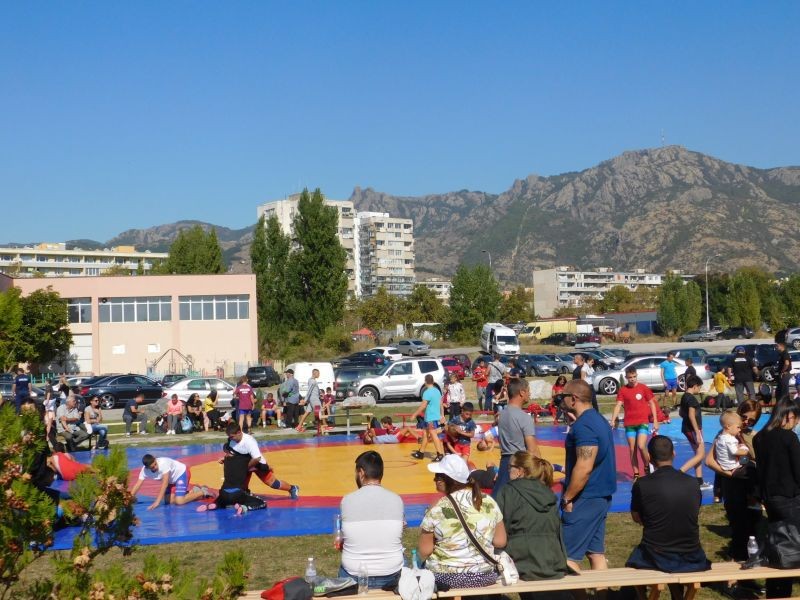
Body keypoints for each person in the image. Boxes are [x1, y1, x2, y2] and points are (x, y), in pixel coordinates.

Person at [626, 436, 710, 598]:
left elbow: (636, 517)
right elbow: (693, 511)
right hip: (692, 554)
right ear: (674, 454)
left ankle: (643, 596)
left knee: (633, 561)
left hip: (655, 554)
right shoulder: (693, 483)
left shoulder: (641, 484)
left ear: (650, 458)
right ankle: (677, 595)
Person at [418, 455, 507, 589]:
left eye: (437, 476)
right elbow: (500, 541)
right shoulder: (488, 501)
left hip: (446, 576)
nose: (435, 480)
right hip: (484, 574)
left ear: (445, 480)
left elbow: (424, 551)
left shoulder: (437, 507)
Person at [559, 379, 616, 572]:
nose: (561, 400)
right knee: (595, 553)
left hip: (585, 498)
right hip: (600, 496)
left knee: (566, 557)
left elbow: (584, 467)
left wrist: (567, 497)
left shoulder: (584, 427)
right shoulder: (598, 420)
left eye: (563, 396)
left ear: (573, 399)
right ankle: (603, 590)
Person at [496, 452, 570, 588]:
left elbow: (499, 530)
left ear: (520, 471)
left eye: (510, 467)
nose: (508, 470)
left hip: (522, 562)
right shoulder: (547, 491)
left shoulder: (508, 491)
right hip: (554, 560)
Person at [753, 398, 800, 598]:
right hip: (790, 497)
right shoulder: (789, 438)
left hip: (770, 497)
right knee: (792, 547)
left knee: (777, 543)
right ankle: (784, 592)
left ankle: (774, 591)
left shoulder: (760, 437)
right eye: (796, 419)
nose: (796, 423)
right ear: (789, 416)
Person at [339, 451, 404, 588]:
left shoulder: (347, 500)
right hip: (391, 573)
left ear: (361, 473)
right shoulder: (396, 500)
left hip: (354, 574)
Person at [223, 421, 299, 499]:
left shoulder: (249, 441)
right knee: (240, 483)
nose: (230, 438)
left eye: (232, 437)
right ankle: (245, 494)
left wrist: (244, 468)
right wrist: (226, 457)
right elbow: (228, 448)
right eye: (229, 437)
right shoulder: (232, 440)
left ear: (239, 432)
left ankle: (292, 488)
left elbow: (257, 458)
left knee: (273, 483)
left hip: (257, 464)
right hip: (245, 464)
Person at [492, 378, 540, 498]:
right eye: (528, 390)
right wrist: (539, 473)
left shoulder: (501, 415)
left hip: (505, 462)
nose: (530, 394)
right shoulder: (524, 417)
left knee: (500, 499)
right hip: (519, 464)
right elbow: (533, 450)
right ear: (522, 393)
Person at [610, 366, 658, 480]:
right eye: (630, 377)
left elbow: (652, 403)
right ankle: (636, 474)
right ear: (626, 377)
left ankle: (647, 464)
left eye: (634, 376)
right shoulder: (623, 390)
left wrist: (655, 420)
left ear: (637, 375)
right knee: (632, 449)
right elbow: (618, 405)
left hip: (642, 421)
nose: (632, 379)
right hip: (630, 423)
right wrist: (613, 419)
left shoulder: (643, 388)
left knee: (641, 445)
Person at [130, 454, 209, 510]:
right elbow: (138, 485)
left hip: (182, 474)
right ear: (147, 468)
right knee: (168, 501)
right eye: (152, 467)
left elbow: (165, 484)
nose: (155, 467)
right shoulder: (144, 471)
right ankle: (193, 491)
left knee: (179, 501)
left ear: (155, 459)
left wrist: (157, 502)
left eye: (155, 464)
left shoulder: (163, 463)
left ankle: (203, 491)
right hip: (171, 481)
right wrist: (129, 498)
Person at [678, 375, 711, 488]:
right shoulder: (692, 399)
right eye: (699, 387)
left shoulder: (684, 396)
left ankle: (699, 481)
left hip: (687, 428)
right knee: (701, 455)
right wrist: (697, 432)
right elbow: (691, 416)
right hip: (693, 429)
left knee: (698, 454)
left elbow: (681, 413)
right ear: (695, 386)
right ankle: (680, 472)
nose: (700, 389)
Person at [410, 374, 445, 462]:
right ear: (433, 381)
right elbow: (441, 404)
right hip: (434, 417)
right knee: (425, 434)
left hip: (430, 418)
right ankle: (421, 453)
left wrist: (415, 414)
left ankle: (440, 454)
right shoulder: (437, 391)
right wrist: (442, 415)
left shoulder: (427, 392)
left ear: (425, 382)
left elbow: (423, 406)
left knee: (433, 434)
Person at [296, 368, 321, 433]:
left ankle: (299, 426)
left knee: (307, 413)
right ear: (314, 373)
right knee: (320, 412)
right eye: (318, 373)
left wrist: (319, 394)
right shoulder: (312, 381)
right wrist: (305, 400)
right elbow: (309, 391)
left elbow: (313, 391)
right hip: (314, 399)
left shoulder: (311, 380)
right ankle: (322, 426)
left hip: (312, 399)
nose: (319, 374)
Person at [776, 334, 793, 401]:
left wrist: (783, 371)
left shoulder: (785, 353)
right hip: (783, 374)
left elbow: (787, 363)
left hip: (785, 374)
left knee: (784, 392)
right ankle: (779, 403)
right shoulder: (781, 354)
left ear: (781, 346)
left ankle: (785, 404)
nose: (776, 347)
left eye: (777, 346)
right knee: (779, 392)